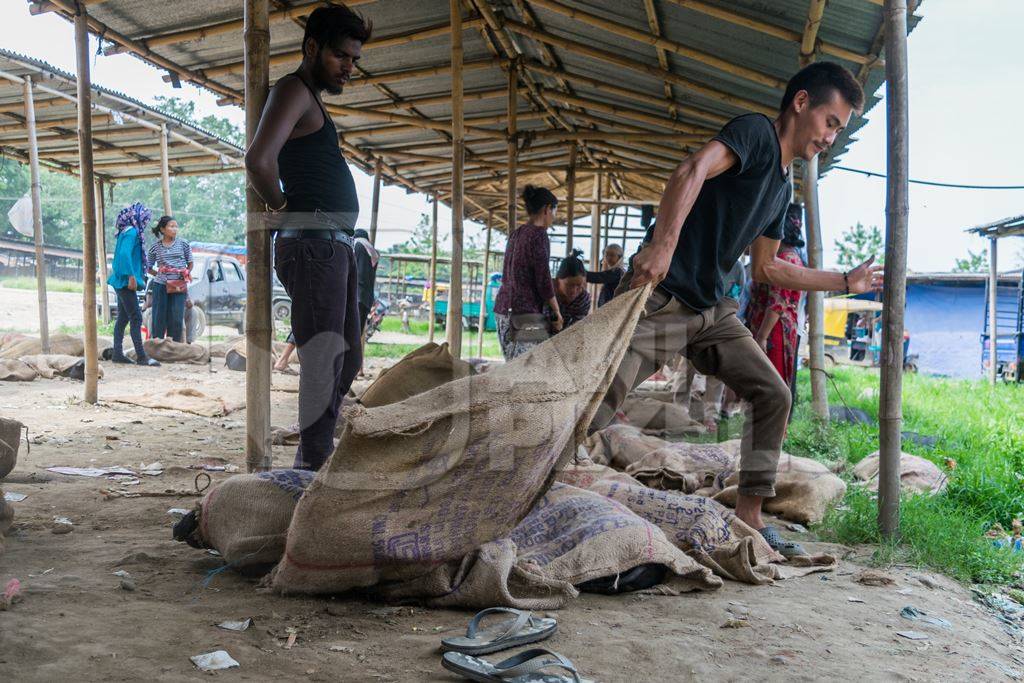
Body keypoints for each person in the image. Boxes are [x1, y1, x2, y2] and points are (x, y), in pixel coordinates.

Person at [592, 62, 881, 558]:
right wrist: (662, 245)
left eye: (839, 130)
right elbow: (691, 169)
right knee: (593, 404)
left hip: (712, 311)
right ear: (801, 102)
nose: (831, 137)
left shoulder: (783, 189)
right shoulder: (756, 135)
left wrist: (843, 282)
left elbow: (768, 269)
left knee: (773, 393)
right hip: (663, 299)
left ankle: (749, 516)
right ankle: (527, 486)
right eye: (831, 122)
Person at [245, 4, 371, 471]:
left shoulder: (311, 100)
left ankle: (311, 452)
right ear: (312, 47)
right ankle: (312, 466)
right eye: (341, 56)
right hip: (314, 244)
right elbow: (258, 160)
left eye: (354, 59)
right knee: (323, 359)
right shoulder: (293, 90)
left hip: (334, 244)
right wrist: (284, 210)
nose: (349, 67)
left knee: (350, 357)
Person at [493, 185, 563, 361]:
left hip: (502, 309)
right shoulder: (539, 235)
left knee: (514, 365)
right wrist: (557, 312)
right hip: (524, 313)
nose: (554, 217)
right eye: (554, 211)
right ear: (547, 209)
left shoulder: (516, 233)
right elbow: (543, 280)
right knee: (526, 370)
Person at [107, 202, 159, 367]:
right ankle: (141, 356)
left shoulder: (125, 231)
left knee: (123, 318)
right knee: (136, 317)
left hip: (120, 279)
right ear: (138, 218)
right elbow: (124, 254)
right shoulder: (133, 233)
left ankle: (117, 353)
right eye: (145, 218)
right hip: (124, 280)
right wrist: (131, 276)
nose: (146, 222)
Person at [147, 216, 193, 343]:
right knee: (159, 316)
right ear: (162, 229)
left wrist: (185, 273)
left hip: (179, 286)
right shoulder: (155, 247)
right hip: (161, 286)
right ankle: (158, 344)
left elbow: (190, 263)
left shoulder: (183, 244)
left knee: (176, 317)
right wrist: (161, 274)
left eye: (176, 226)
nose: (175, 229)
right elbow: (148, 267)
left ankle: (174, 346)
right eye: (171, 226)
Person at [550, 249, 592, 329]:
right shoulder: (547, 294)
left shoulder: (583, 299)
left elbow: (577, 328)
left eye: (579, 285)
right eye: (569, 285)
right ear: (557, 280)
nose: (574, 291)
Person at [353, 228, 379, 335]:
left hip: (355, 297)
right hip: (366, 298)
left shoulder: (356, 245)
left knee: (349, 332)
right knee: (357, 332)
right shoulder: (373, 252)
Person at [585, 243, 625, 307]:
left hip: (612, 307)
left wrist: (579, 272)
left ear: (619, 257)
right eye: (606, 255)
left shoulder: (617, 272)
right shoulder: (616, 271)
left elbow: (598, 277)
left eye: (612, 255)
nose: (608, 258)